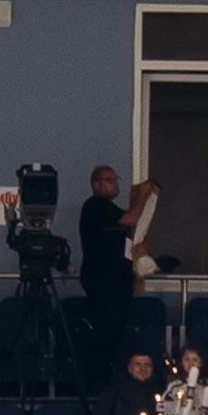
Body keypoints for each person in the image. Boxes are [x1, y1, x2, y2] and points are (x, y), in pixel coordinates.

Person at [75, 164, 137, 393]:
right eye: (110, 180)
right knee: (103, 333)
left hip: (119, 283)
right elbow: (129, 219)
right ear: (97, 184)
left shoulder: (111, 210)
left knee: (115, 336)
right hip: (104, 283)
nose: (115, 184)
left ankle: (107, 380)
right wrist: (145, 198)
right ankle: (96, 383)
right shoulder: (95, 206)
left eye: (116, 179)